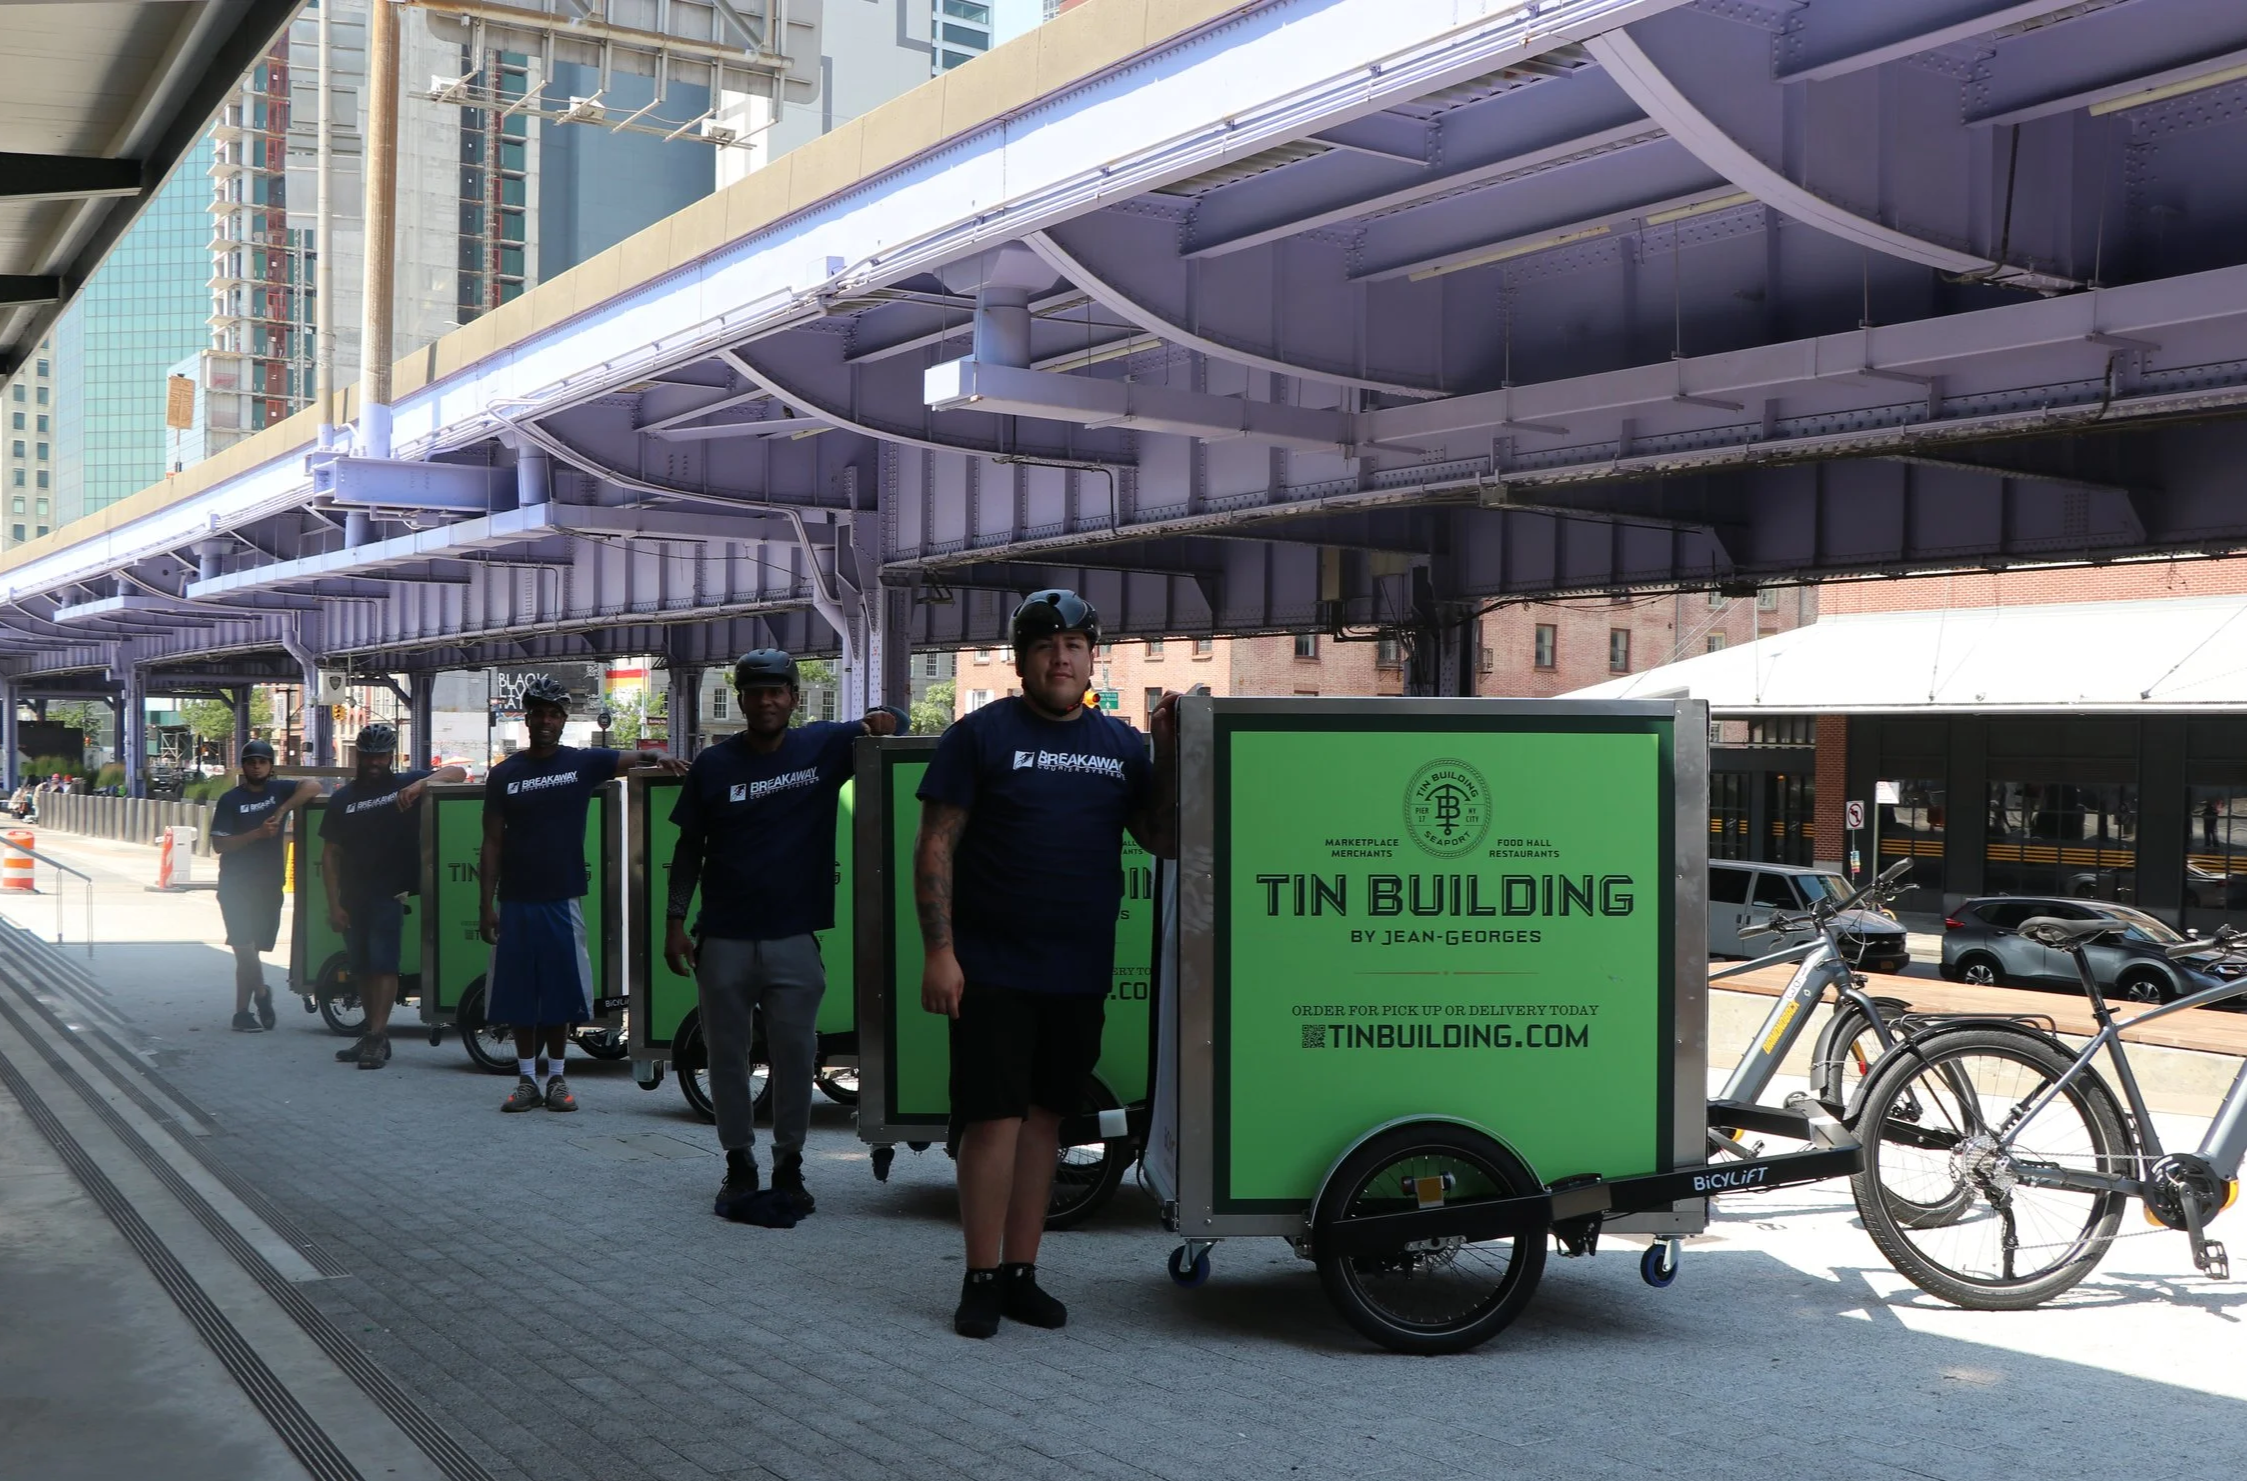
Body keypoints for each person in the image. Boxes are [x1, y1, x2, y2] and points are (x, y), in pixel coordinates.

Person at [914, 589, 1175, 1339]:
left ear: (1093, 656)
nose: (1060, 657)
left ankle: (1022, 1272)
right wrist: (940, 952)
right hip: (991, 965)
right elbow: (935, 845)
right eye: (1044, 645)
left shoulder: (1122, 747)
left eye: (1074, 644)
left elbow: (1161, 839)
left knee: (1044, 1123)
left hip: (1077, 968)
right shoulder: (979, 736)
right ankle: (979, 1275)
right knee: (991, 1121)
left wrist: (1173, 751)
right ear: (1022, 659)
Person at [663, 650, 906, 1222]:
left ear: (795, 699)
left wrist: (882, 716)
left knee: (797, 1057)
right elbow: (686, 850)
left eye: (778, 691)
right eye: (755, 692)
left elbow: (893, 715)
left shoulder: (821, 746)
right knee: (726, 1057)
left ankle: (789, 1166)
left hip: (794, 938)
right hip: (721, 936)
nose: (766, 701)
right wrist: (674, 922)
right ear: (741, 700)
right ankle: (739, 1163)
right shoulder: (713, 765)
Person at [481, 677, 686, 1113]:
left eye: (554, 713)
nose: (546, 720)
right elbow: (492, 843)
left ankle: (556, 1080)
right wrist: (486, 904)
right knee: (519, 994)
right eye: (539, 712)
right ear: (528, 716)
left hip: (562, 898)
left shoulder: (583, 763)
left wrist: (658, 754)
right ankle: (525, 1081)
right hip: (515, 900)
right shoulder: (503, 775)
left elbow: (635, 756)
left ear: (563, 719)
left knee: (558, 992)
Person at [320, 726, 467, 1068]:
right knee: (362, 968)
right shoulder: (343, 798)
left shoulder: (406, 784)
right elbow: (330, 855)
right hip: (352, 896)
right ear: (359, 756)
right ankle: (373, 1034)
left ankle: (376, 1035)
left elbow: (458, 772)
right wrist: (333, 904)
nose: (374, 762)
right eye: (368, 755)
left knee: (384, 966)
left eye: (381, 756)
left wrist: (420, 785)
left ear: (390, 757)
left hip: (390, 893)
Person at [208, 740, 321, 1032]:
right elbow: (219, 844)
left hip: (269, 883)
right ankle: (260, 994)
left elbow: (313, 786)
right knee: (242, 944)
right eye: (251, 761)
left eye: (262, 761)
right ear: (243, 766)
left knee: (252, 950)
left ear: (271, 766)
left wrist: (283, 810)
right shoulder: (230, 800)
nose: (256, 765)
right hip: (235, 885)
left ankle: (242, 1013)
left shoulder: (280, 791)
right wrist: (256, 834)